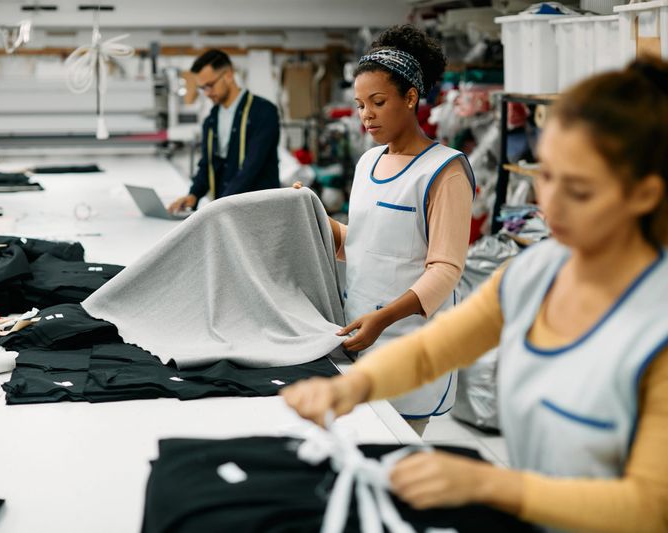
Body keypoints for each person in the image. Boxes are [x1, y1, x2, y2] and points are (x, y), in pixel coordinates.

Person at [283, 57, 668, 532]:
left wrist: (487, 484)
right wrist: (349, 387)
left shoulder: (656, 326)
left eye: (581, 190)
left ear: (645, 194)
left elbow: (649, 507)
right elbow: (432, 349)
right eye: (545, 177)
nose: (551, 204)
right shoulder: (535, 275)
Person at [296, 25, 475, 433]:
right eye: (360, 105)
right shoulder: (368, 163)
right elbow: (357, 245)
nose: (366, 115)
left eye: (377, 102)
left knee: (393, 455)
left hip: (410, 341)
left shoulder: (443, 170)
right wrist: (306, 213)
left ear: (411, 97)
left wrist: (383, 319)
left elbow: (445, 270)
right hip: (358, 334)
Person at [169, 49, 280, 213]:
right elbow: (208, 164)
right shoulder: (211, 120)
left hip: (259, 210)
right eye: (202, 88)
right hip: (226, 211)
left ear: (228, 75)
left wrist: (219, 206)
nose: (207, 93)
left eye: (210, 85)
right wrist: (193, 195)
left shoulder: (263, 112)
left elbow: (252, 167)